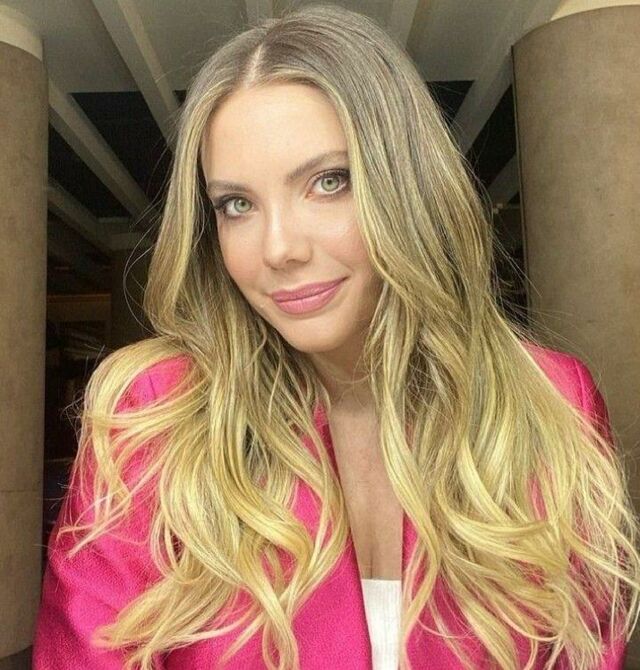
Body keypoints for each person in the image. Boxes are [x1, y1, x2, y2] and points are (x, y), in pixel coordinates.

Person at [32, 3, 640, 669]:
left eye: (329, 182)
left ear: (407, 186)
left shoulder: (551, 398)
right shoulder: (154, 413)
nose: (279, 248)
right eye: (237, 204)